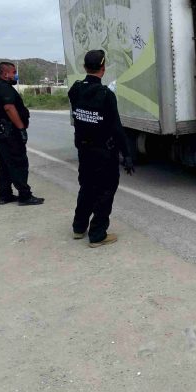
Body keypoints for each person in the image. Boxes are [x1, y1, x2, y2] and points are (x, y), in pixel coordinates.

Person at [68, 49, 135, 247]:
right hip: (104, 152)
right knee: (105, 191)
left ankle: (79, 228)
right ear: (103, 68)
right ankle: (97, 234)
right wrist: (127, 154)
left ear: (84, 67)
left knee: (87, 187)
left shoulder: (75, 89)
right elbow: (116, 127)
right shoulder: (106, 95)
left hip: (84, 150)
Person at [0, 62, 44, 205]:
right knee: (19, 163)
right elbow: (9, 108)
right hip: (11, 132)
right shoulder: (5, 88)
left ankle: (5, 195)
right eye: (14, 72)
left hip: (1, 132)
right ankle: (25, 195)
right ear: (5, 74)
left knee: (5, 164)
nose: (15, 75)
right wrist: (21, 129)